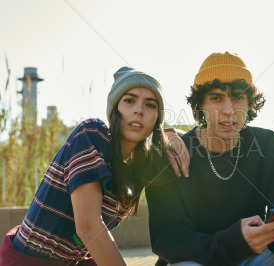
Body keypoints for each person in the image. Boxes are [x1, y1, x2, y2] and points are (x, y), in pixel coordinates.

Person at [146, 52, 274, 265]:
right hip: (197, 260)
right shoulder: (173, 153)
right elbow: (168, 240)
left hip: (255, 258)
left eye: (237, 98)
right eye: (216, 98)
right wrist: (234, 243)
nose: (228, 110)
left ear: (249, 103)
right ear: (200, 105)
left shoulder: (269, 146)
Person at [0, 67, 189, 265]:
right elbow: (88, 227)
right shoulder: (92, 134)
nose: (139, 110)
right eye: (129, 100)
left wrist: (171, 133)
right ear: (115, 108)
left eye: (150, 105)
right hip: (28, 261)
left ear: (156, 118)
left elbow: (201, 141)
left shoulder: (140, 165)